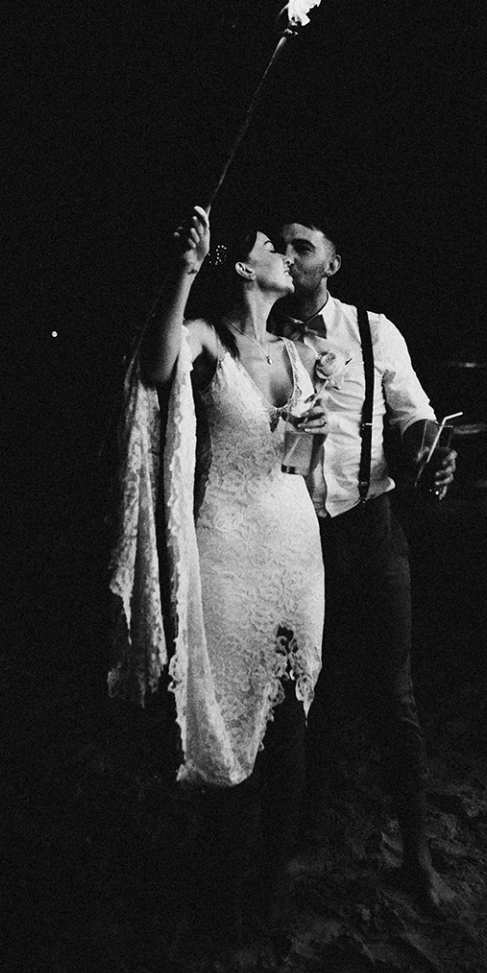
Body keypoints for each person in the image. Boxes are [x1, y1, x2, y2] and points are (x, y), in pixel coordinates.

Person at [131, 206, 328, 930]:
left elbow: (297, 467)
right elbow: (155, 368)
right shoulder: (209, 341)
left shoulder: (301, 355)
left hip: (297, 552)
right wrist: (185, 269)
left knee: (295, 717)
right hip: (229, 548)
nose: (285, 254)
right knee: (234, 714)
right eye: (272, 246)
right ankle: (223, 889)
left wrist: (303, 438)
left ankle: (271, 883)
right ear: (245, 267)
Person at [271, 217, 456, 910]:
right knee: (291, 706)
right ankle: (282, 856)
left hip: (371, 532)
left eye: (303, 247)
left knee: (394, 697)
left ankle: (417, 854)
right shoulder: (255, 334)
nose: (289, 257)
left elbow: (412, 418)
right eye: (280, 246)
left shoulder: (375, 332)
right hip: (289, 542)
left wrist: (431, 450)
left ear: (334, 263)